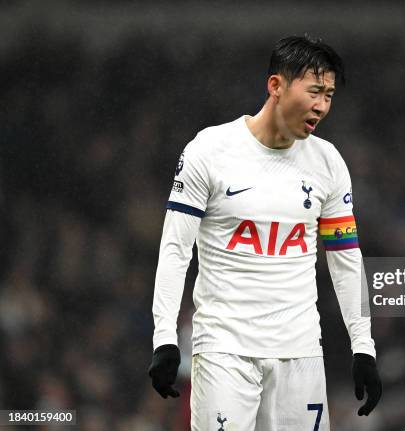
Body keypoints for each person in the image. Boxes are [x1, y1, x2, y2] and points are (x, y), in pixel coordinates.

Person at [148, 35, 382, 431]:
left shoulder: (328, 163)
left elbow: (345, 259)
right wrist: (164, 337)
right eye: (314, 91)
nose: (322, 105)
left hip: (301, 353)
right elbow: (175, 250)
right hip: (225, 350)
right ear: (276, 86)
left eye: (329, 94)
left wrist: (364, 346)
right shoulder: (209, 151)